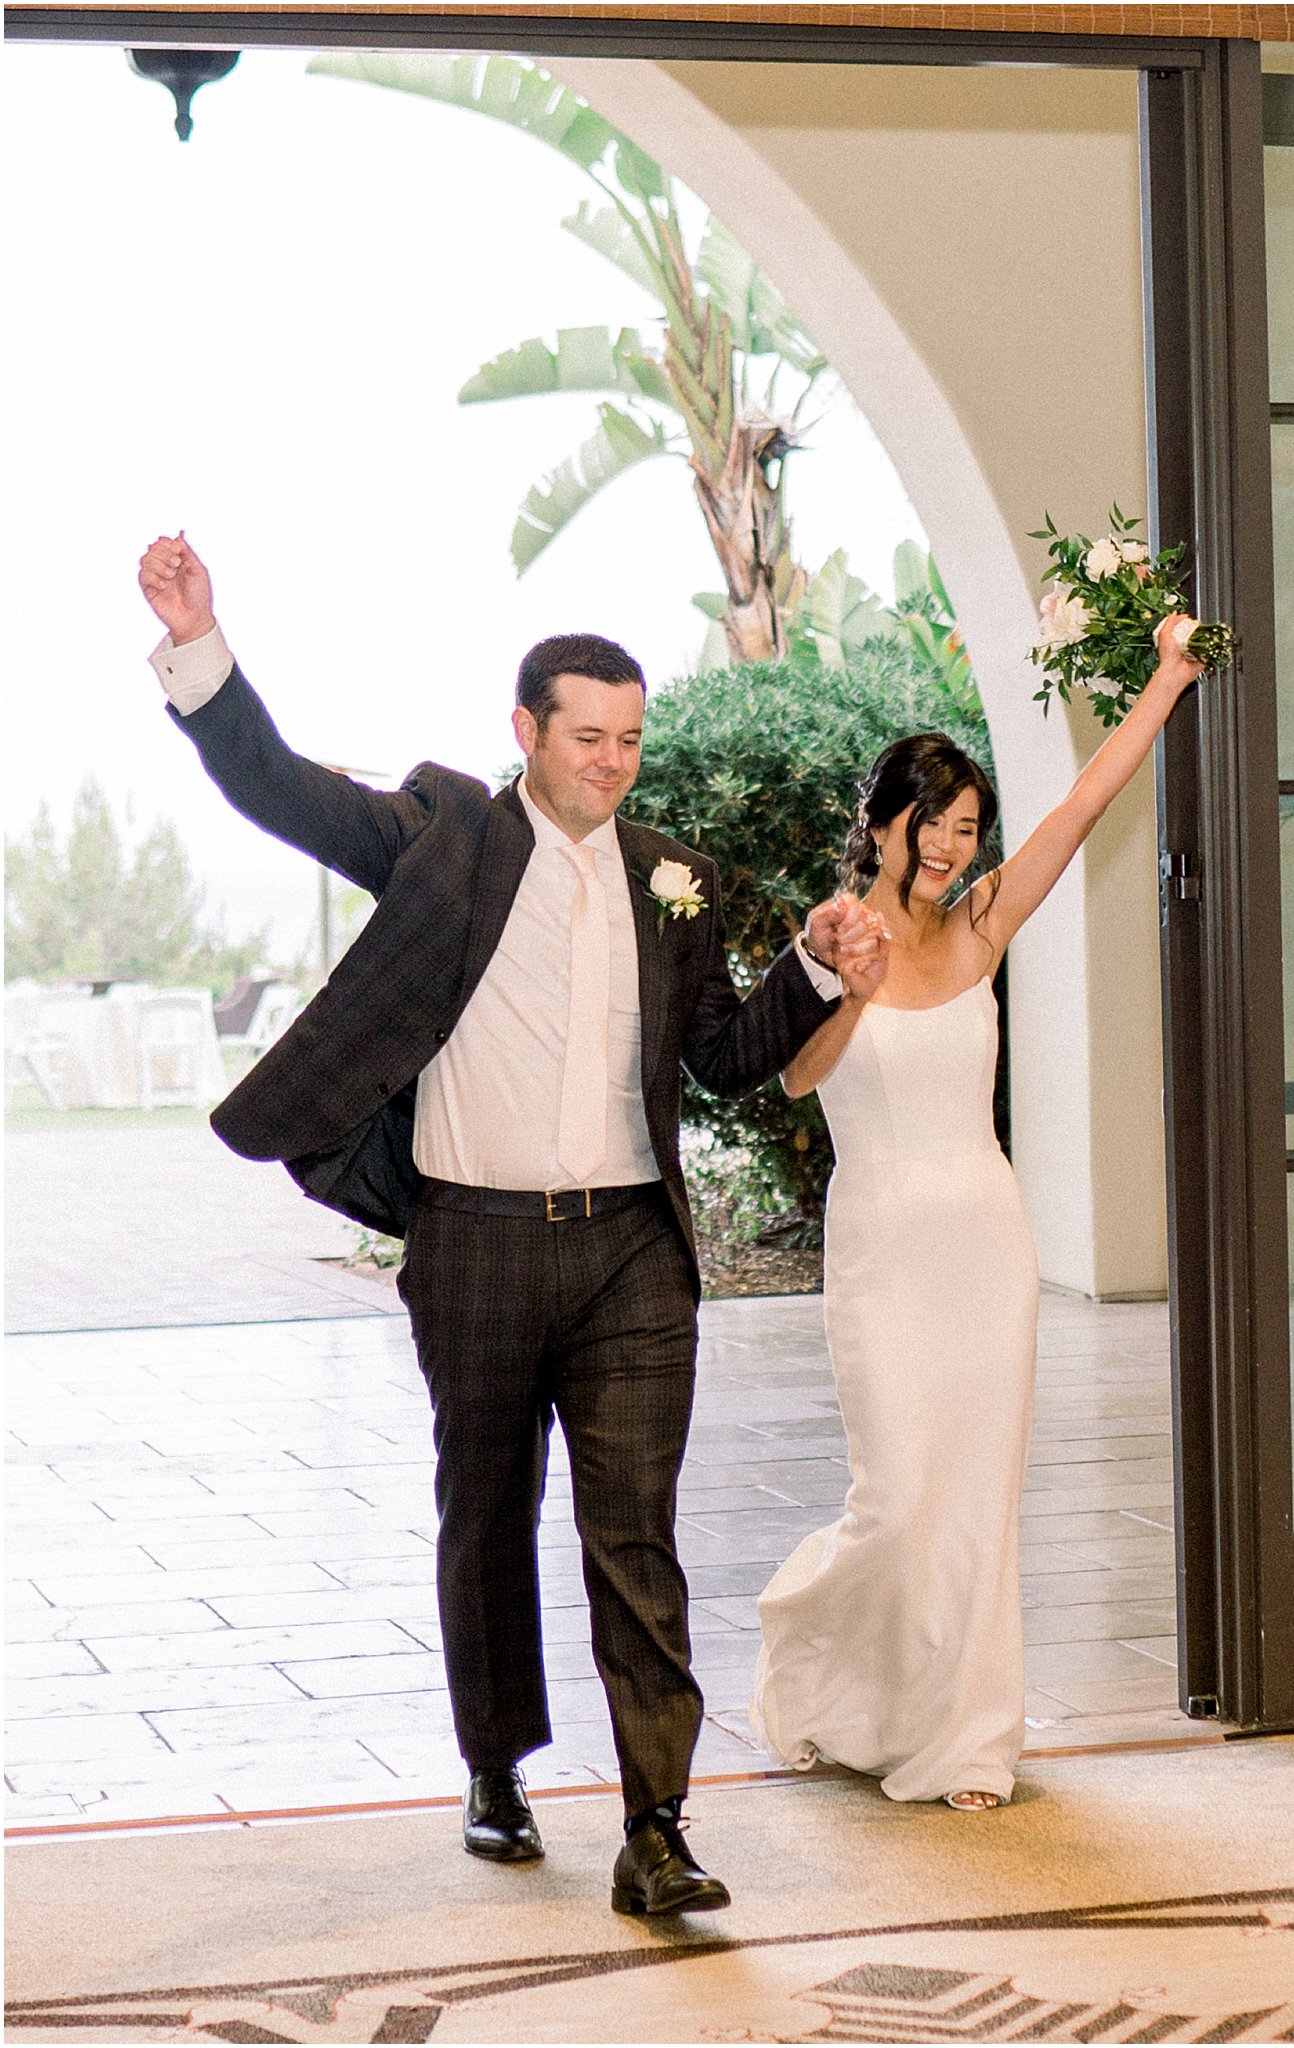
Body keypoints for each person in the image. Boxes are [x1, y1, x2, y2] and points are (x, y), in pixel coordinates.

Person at [137, 532, 879, 1915]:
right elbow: (276, 788)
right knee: (485, 1514)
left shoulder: (677, 878)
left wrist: (813, 972)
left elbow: (720, 1058)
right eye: (586, 737)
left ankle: (656, 1825)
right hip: (472, 1239)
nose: (611, 762)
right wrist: (200, 642)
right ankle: (494, 1765)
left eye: (630, 740)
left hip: (628, 1258)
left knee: (633, 1536)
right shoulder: (444, 837)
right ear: (525, 732)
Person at [750, 615, 1206, 1810]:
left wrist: (1164, 680)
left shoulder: (983, 921)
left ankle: (963, 1735)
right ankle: (817, 1654)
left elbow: (1078, 811)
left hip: (983, 1245)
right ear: (883, 822)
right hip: (881, 1249)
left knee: (973, 1498)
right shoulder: (834, 928)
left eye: (966, 831)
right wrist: (845, 988)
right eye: (934, 826)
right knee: (897, 1497)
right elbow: (796, 1080)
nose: (953, 849)